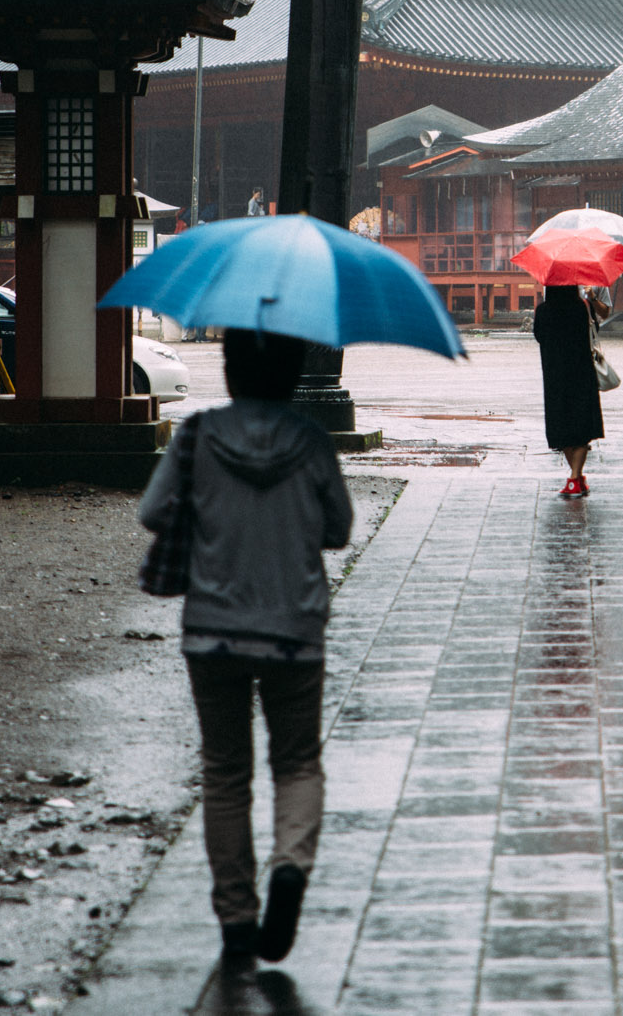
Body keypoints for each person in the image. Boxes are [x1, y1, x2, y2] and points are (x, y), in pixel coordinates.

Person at [137, 329, 352, 964]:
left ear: (228, 371)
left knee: (225, 773)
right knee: (297, 764)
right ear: (292, 376)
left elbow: (153, 513)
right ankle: (290, 867)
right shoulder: (312, 442)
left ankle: (235, 917)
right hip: (294, 630)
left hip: (213, 630)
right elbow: (338, 529)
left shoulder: (198, 435)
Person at [531, 282, 608, 496]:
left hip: (554, 375)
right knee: (583, 425)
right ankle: (576, 477)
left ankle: (575, 478)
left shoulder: (543, 311)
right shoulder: (583, 307)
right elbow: (595, 329)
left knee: (561, 426)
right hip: (582, 372)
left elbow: (538, 336)